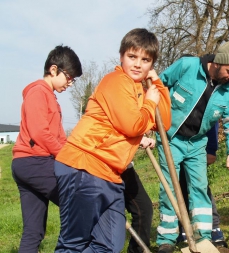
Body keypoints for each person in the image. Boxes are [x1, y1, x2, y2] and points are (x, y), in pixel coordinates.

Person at [53, 28, 171, 252]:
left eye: (145, 60)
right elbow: (132, 125)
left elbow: (163, 123)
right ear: (121, 56)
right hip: (84, 165)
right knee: (74, 243)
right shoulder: (116, 81)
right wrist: (150, 104)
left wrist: (157, 85)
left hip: (110, 174)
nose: (137, 64)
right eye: (132, 57)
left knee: (109, 245)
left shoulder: (139, 88)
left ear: (152, 64)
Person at [156, 40, 229, 253]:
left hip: (197, 144)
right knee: (170, 188)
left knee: (199, 190)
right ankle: (167, 239)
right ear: (218, 63)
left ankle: (202, 238)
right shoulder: (187, 66)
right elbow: (158, 85)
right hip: (171, 139)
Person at [11, 45, 82, 253]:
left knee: (33, 231)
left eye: (73, 79)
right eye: (69, 77)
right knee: (77, 202)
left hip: (29, 165)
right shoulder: (38, 92)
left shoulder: (50, 97)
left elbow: (59, 136)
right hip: (33, 162)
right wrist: (67, 157)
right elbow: (40, 133)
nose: (70, 83)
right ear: (53, 70)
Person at [177, 122, 227, 246]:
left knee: (200, 187)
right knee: (178, 187)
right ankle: (183, 227)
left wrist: (211, 149)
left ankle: (213, 227)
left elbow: (211, 122)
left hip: (197, 148)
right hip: (175, 147)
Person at [122, 135, 156, 253]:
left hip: (125, 168)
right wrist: (136, 138)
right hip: (103, 169)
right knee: (111, 219)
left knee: (144, 209)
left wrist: (139, 136)